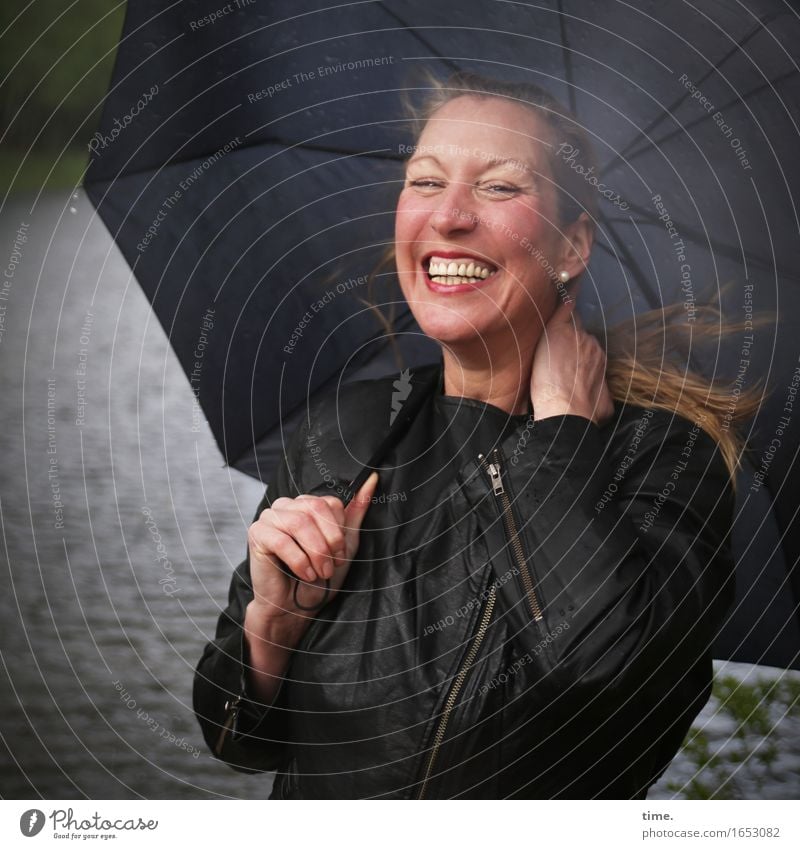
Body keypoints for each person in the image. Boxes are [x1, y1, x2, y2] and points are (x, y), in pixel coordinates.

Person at [193, 71, 755, 799]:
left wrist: (559, 434)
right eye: (425, 181)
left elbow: (609, 676)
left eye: (498, 187)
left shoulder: (665, 457)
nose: (449, 216)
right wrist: (271, 621)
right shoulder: (348, 430)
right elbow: (237, 738)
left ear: (573, 244)